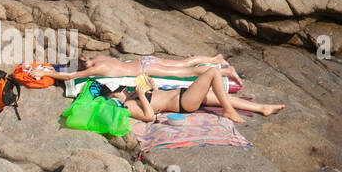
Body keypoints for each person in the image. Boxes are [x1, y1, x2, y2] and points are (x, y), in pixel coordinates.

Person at [113, 68, 283, 124]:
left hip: (183, 94)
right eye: (119, 92)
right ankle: (229, 111)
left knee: (220, 94)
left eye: (121, 89)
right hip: (183, 102)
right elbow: (149, 116)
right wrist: (142, 96)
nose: (122, 91)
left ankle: (262, 107)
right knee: (213, 73)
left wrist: (151, 87)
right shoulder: (129, 106)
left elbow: (157, 98)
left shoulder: (134, 95)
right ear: (115, 99)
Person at [43, 53, 243, 86]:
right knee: (184, 62)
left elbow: (72, 75)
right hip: (145, 60)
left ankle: (224, 72)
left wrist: (47, 73)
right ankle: (215, 59)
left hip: (147, 68)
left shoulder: (98, 68)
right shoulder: (99, 58)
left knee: (187, 73)